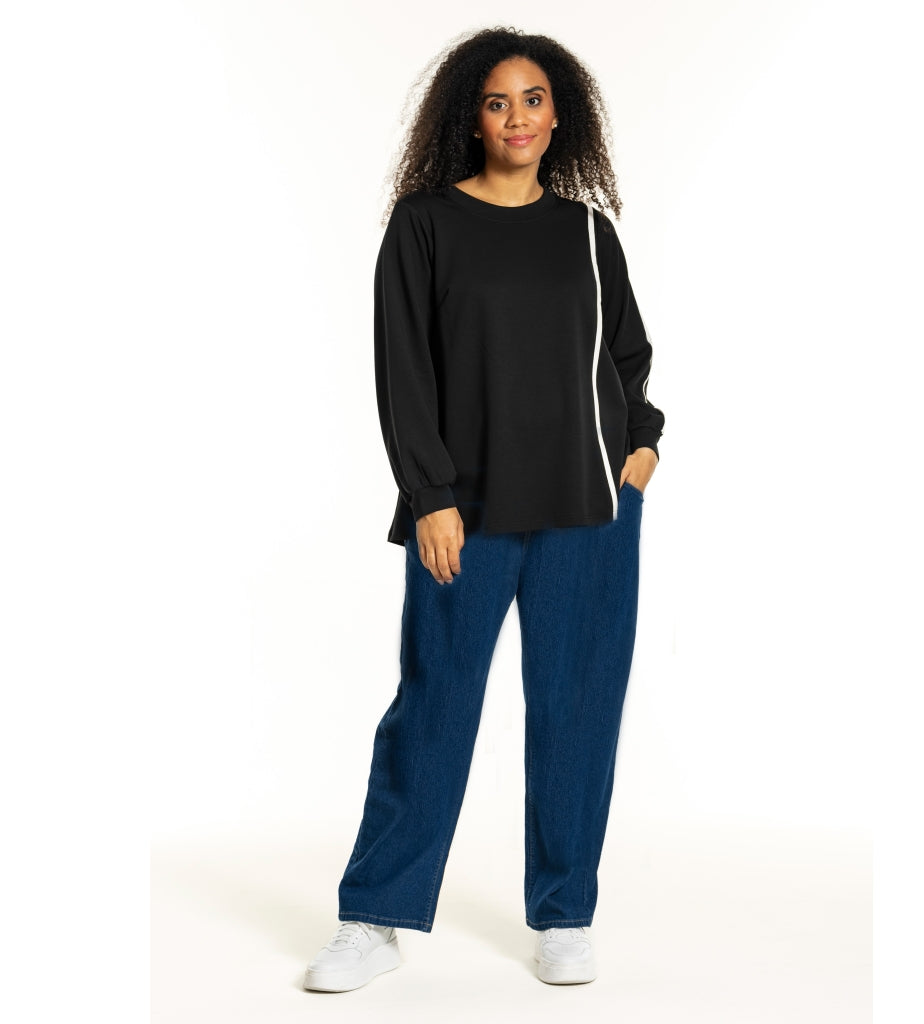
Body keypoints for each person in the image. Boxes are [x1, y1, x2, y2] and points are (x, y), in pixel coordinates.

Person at [304, 26, 665, 992]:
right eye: (498, 102)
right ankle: (376, 916)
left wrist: (641, 451)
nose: (517, 118)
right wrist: (429, 495)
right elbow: (405, 371)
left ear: (560, 114)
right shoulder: (424, 224)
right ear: (471, 117)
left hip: (591, 510)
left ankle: (566, 913)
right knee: (433, 704)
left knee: (579, 709)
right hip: (464, 513)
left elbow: (628, 356)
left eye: (533, 99)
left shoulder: (587, 231)